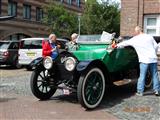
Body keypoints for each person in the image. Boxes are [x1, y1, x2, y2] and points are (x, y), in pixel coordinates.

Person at [117, 26, 160, 96]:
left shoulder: (135, 39)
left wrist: (116, 45)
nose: (134, 33)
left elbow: (124, 43)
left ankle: (140, 91)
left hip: (144, 60)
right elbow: (156, 46)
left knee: (142, 75)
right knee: (155, 75)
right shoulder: (149, 36)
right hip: (153, 58)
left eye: (135, 31)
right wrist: (153, 53)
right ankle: (157, 91)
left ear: (137, 31)